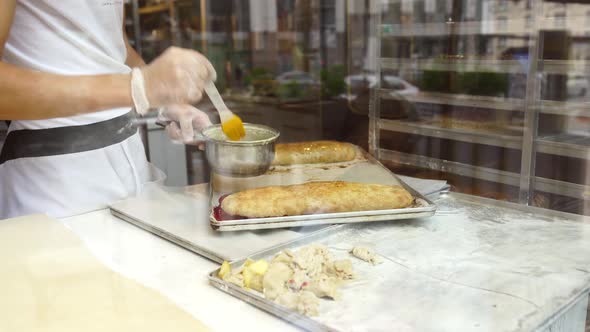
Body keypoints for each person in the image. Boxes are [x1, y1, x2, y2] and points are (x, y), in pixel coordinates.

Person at [0, 1, 215, 219]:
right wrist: (138, 87)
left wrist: (163, 101)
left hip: (131, 158)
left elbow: (115, 47)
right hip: (55, 176)